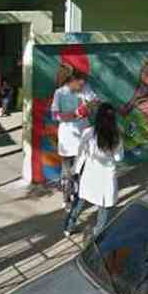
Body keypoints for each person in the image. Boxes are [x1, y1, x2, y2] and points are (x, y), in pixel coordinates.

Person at [64, 102, 123, 238]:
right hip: (107, 178)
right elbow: (119, 158)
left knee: (79, 202)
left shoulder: (88, 132)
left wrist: (75, 171)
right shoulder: (117, 135)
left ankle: (68, 228)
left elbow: (81, 155)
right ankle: (98, 234)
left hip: (90, 176)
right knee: (104, 207)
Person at [51, 64, 97, 210]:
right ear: (72, 81)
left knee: (84, 169)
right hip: (67, 139)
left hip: (84, 138)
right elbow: (55, 114)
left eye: (84, 83)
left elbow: (96, 101)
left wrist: (88, 107)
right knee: (67, 172)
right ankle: (66, 199)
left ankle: (84, 196)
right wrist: (75, 114)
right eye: (81, 83)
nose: (83, 86)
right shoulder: (60, 93)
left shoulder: (85, 88)